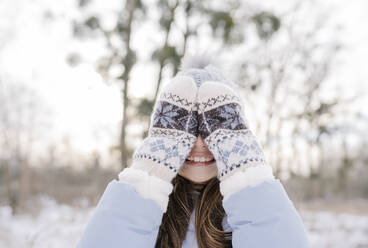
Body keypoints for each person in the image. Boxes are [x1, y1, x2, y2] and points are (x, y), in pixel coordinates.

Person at [75, 55, 311, 248]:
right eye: (184, 126)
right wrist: (147, 178)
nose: (199, 143)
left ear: (238, 135)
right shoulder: (144, 213)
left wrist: (247, 176)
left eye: (214, 126)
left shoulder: (252, 214)